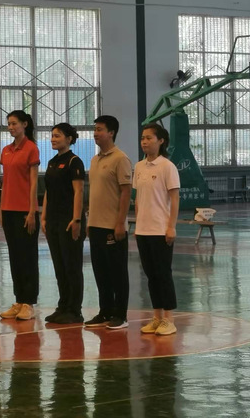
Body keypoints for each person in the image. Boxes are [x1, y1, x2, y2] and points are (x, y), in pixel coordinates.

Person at [85, 115, 132, 330]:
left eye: (100, 129)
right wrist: (89, 221)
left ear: (111, 133)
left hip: (113, 227)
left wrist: (120, 223)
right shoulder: (95, 160)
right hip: (96, 225)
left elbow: (126, 192)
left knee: (117, 272)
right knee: (100, 272)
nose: (96, 133)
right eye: (95, 129)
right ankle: (105, 311)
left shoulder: (120, 159)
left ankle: (120, 315)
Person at [134, 123, 180, 336]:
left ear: (161, 141)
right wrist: (137, 224)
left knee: (163, 274)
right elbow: (138, 199)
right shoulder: (139, 167)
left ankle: (169, 320)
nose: (144, 142)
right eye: (143, 138)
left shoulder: (167, 167)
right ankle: (157, 317)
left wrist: (171, 227)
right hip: (143, 230)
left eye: (149, 138)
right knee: (151, 275)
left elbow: (174, 199)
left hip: (161, 230)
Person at [41, 123, 86, 324]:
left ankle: (74, 310)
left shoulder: (74, 162)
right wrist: (43, 216)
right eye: (52, 136)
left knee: (72, 266)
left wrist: (76, 219)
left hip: (69, 221)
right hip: (53, 220)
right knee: (59, 266)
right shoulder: (52, 162)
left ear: (69, 139)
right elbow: (48, 192)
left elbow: (79, 192)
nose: (53, 139)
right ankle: (63, 306)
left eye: (57, 136)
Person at [0, 110, 40, 321]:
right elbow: (5, 182)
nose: (11, 127)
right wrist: (1, 209)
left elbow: (33, 183)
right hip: (8, 210)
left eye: (14, 123)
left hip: (25, 211)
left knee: (27, 257)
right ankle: (19, 299)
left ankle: (29, 303)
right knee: (14, 257)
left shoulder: (31, 148)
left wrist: (32, 211)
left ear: (24, 124)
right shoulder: (6, 150)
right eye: (9, 124)